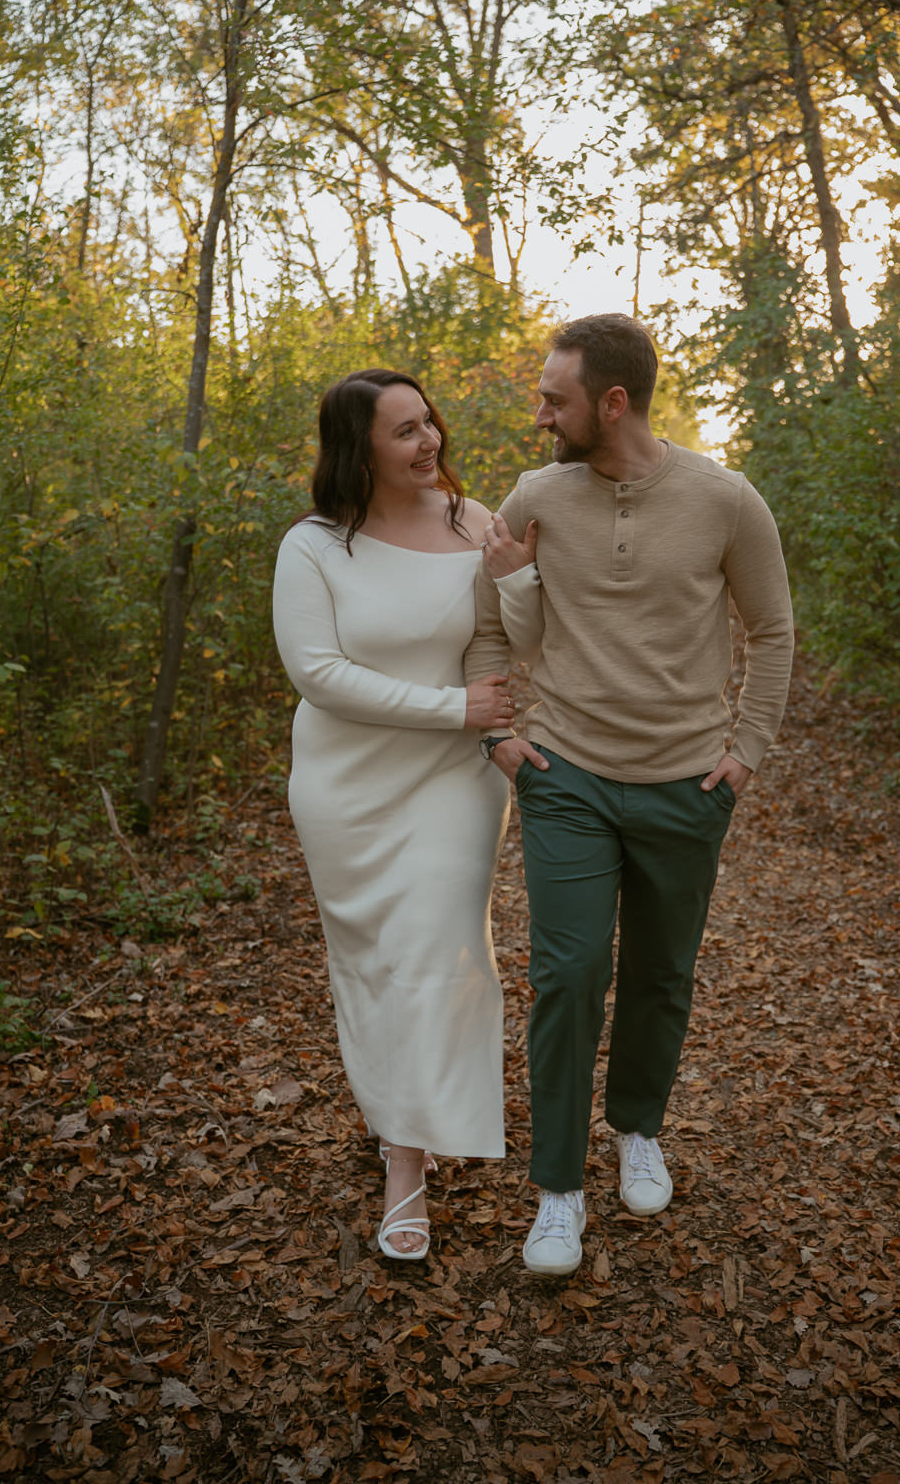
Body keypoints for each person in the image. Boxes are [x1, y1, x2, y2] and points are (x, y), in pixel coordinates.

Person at [466, 314, 795, 1276]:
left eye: (554, 398)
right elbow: (491, 628)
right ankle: (558, 1189)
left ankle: (637, 1127)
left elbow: (771, 632)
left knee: (660, 973)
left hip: (686, 783)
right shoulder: (534, 497)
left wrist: (747, 753)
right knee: (568, 975)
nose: (540, 415)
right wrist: (504, 735)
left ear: (611, 403)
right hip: (565, 777)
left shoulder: (725, 499)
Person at [272, 369, 541, 1261]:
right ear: (360, 451)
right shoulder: (313, 547)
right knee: (374, 964)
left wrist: (520, 584)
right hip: (345, 787)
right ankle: (399, 1129)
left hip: (453, 779)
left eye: (428, 423)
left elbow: (511, 641)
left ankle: (407, 1159)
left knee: (439, 946)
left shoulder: (475, 524)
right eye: (403, 432)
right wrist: (452, 708)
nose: (428, 442)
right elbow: (318, 674)